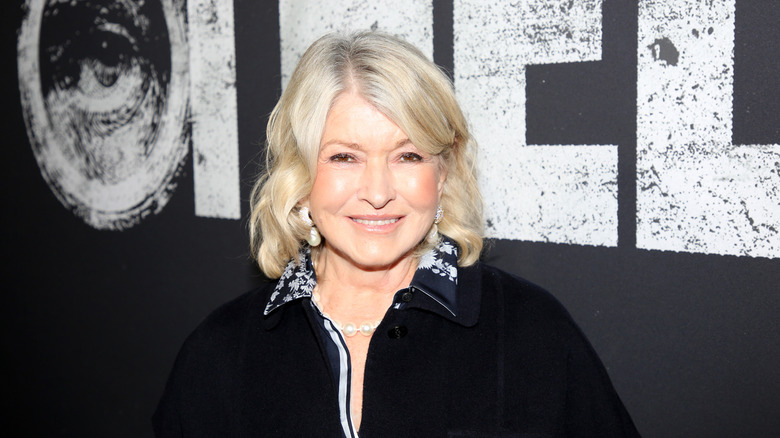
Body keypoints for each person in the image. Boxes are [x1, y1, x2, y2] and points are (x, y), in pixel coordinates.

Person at [153, 31, 640, 437]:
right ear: (300, 176)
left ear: (443, 173)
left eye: (408, 156)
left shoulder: (531, 333)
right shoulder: (220, 353)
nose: (378, 192)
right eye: (344, 156)